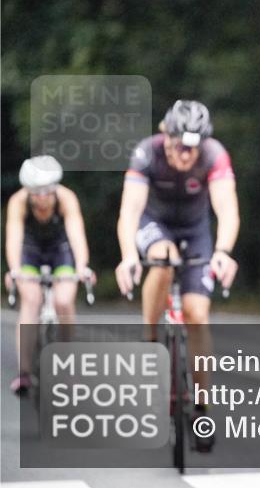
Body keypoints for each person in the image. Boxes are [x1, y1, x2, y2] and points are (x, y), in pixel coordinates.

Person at [113, 100, 239, 452]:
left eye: (191, 148)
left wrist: (224, 252)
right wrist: (127, 257)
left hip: (196, 229)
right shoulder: (146, 153)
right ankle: (151, 336)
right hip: (155, 225)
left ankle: (201, 408)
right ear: (163, 134)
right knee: (163, 259)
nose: (184, 156)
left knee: (197, 316)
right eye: (177, 146)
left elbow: (227, 209)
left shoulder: (214, 155)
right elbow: (130, 212)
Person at [4, 156, 93, 395]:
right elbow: (14, 238)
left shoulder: (66, 198)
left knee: (64, 301)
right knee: (31, 300)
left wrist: (82, 267)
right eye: (36, 193)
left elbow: (76, 235)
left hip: (59, 250)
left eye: (47, 192)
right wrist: (14, 270)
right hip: (30, 252)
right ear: (28, 190)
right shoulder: (18, 202)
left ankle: (69, 365)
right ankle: (24, 373)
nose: (42, 199)